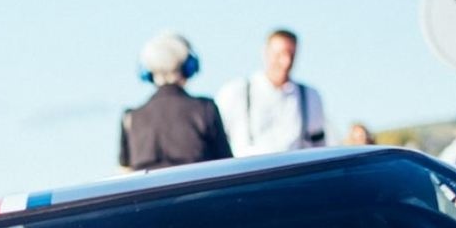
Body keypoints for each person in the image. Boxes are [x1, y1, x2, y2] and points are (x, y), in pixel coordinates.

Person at [118, 31, 232, 171]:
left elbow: (125, 171)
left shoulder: (130, 118)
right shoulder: (205, 109)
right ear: (188, 67)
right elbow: (227, 166)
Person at [215, 28, 327, 156]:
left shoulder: (310, 97)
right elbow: (216, 141)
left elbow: (319, 146)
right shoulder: (235, 92)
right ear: (265, 53)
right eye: (279, 55)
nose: (286, 62)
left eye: (291, 55)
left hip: (296, 168)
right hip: (248, 167)